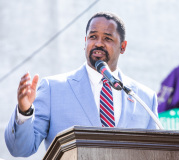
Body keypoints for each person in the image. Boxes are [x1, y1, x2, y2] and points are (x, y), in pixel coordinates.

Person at [5, 12, 159, 157]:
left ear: (123, 46)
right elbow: (20, 149)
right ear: (85, 42)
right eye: (93, 36)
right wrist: (24, 111)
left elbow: (155, 154)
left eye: (107, 38)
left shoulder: (144, 98)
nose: (98, 43)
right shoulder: (53, 89)